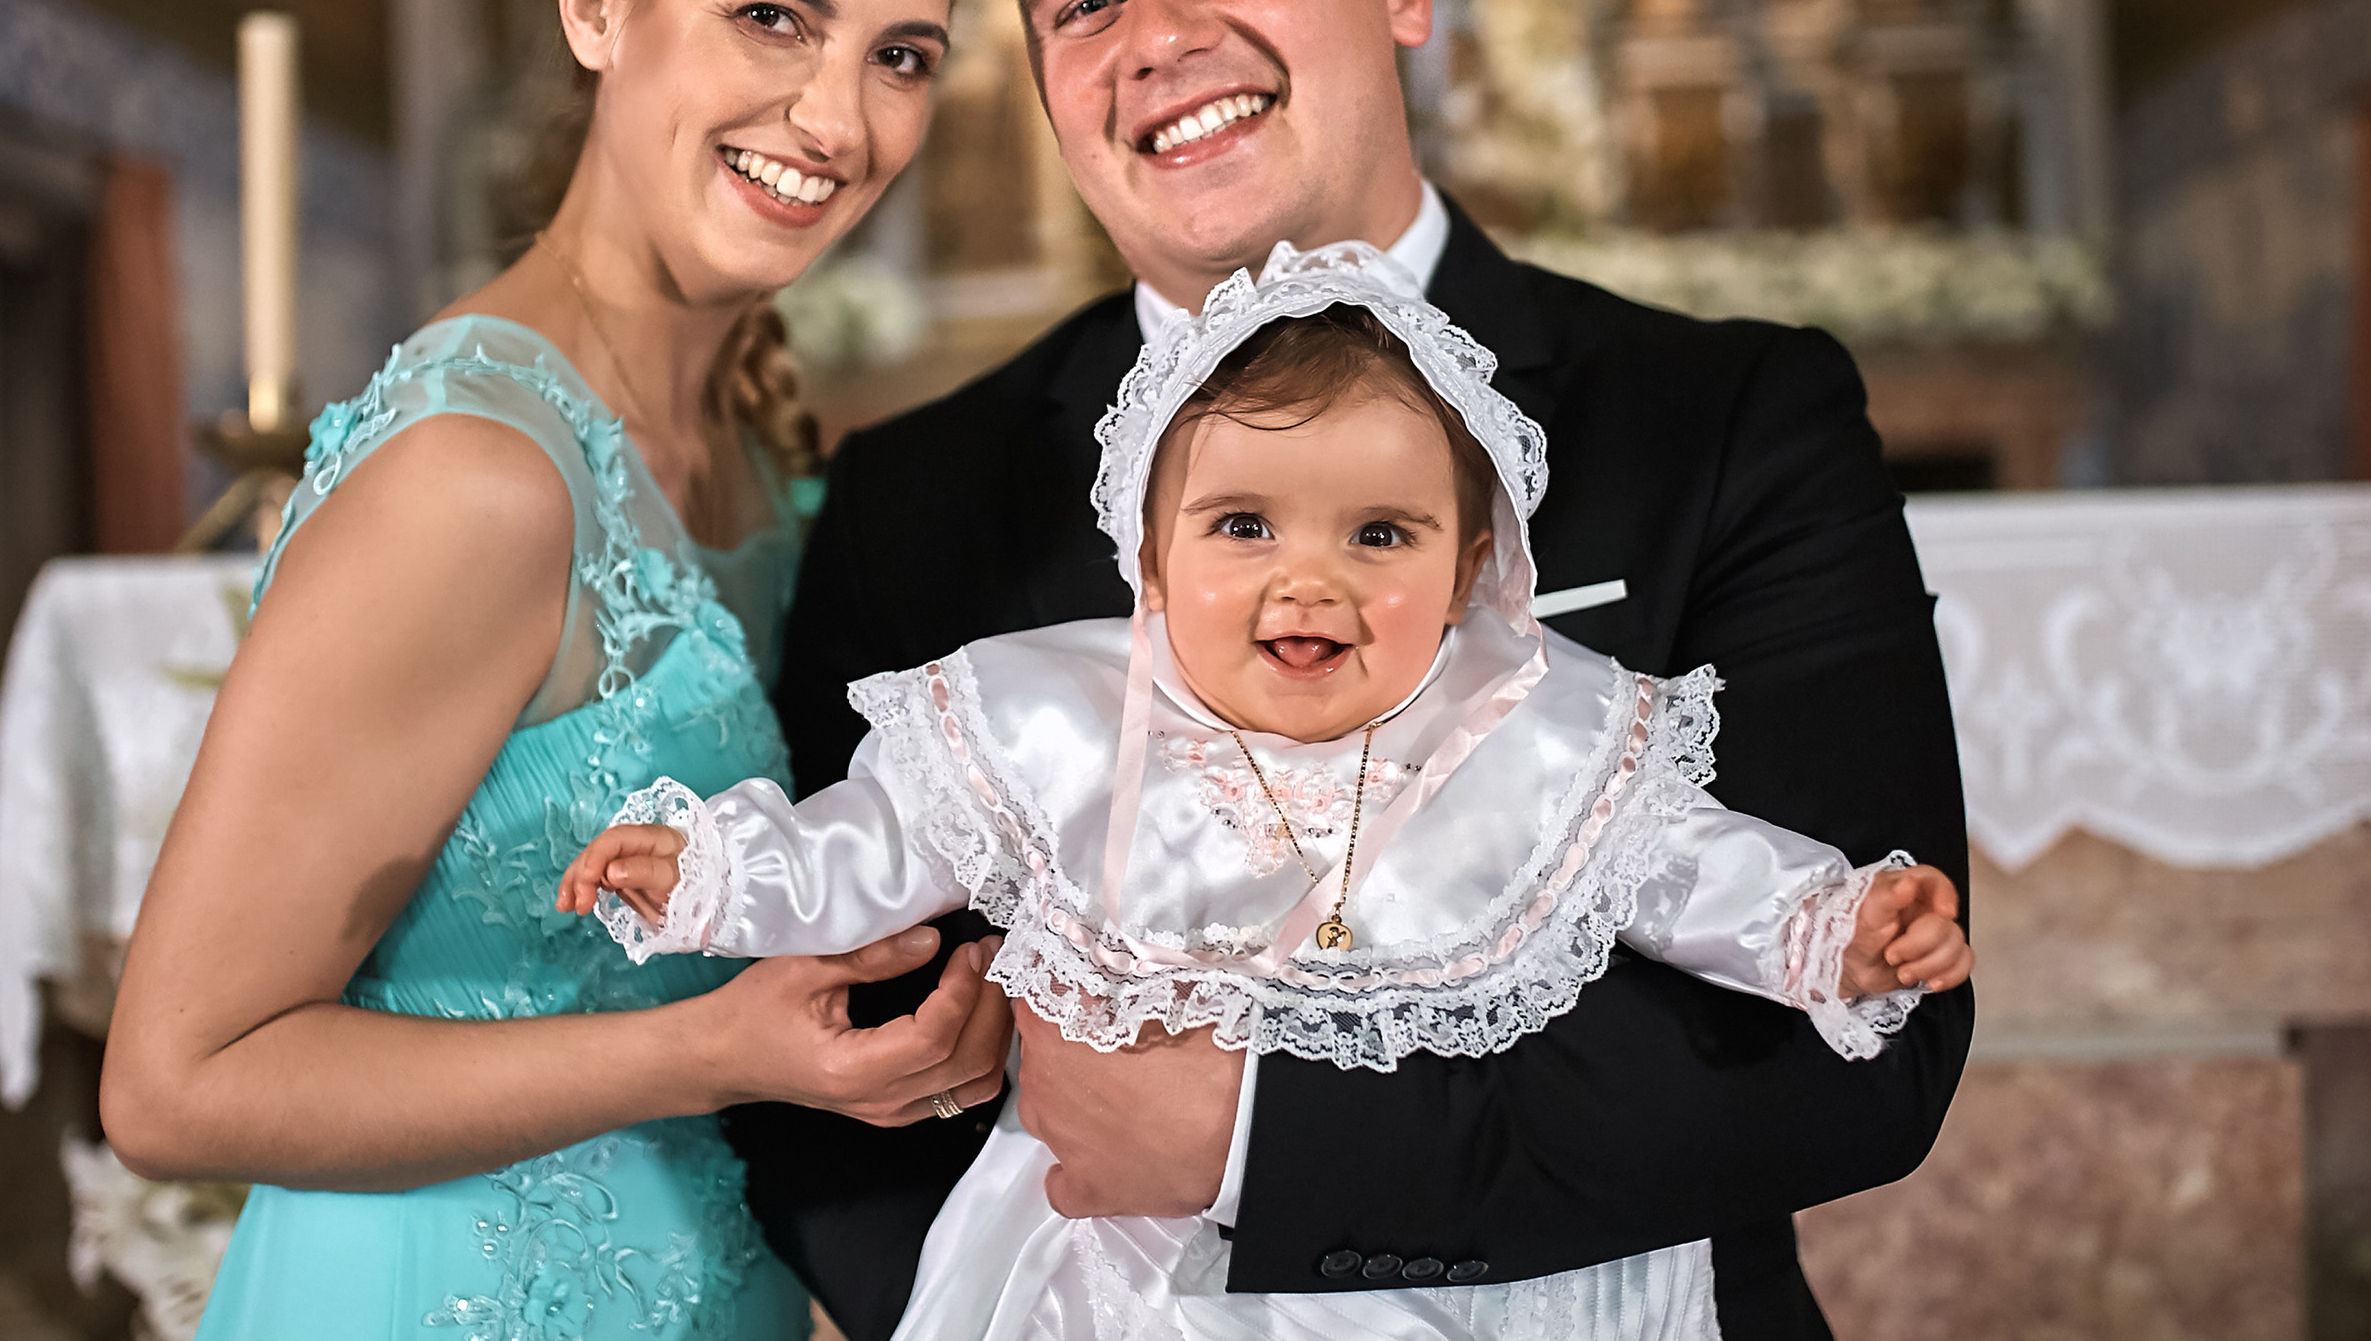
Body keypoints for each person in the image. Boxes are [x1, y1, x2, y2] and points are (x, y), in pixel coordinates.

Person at [737, 0, 1974, 1341]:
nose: (1159, 37)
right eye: (1084, 1)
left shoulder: (1732, 420)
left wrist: (1258, 1144)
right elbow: (823, 1093)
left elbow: (1865, 1041)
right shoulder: (919, 497)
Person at [560, 248, 1972, 1341]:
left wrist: (1831, 926)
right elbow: (871, 849)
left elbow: (1687, 867)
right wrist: (715, 874)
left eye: (1382, 534)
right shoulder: (1053, 715)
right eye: (1244, 525)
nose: (1311, 580)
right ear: (1151, 559)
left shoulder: (1530, 724)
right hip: (1113, 1280)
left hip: (1462, 1279)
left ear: (1469, 569)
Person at [100, 0, 1011, 1340]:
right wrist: (707, 1052)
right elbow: (177, 1084)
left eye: (900, 56)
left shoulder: (759, 448)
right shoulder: (480, 480)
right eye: (772, 18)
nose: (838, 118)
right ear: (598, 3)